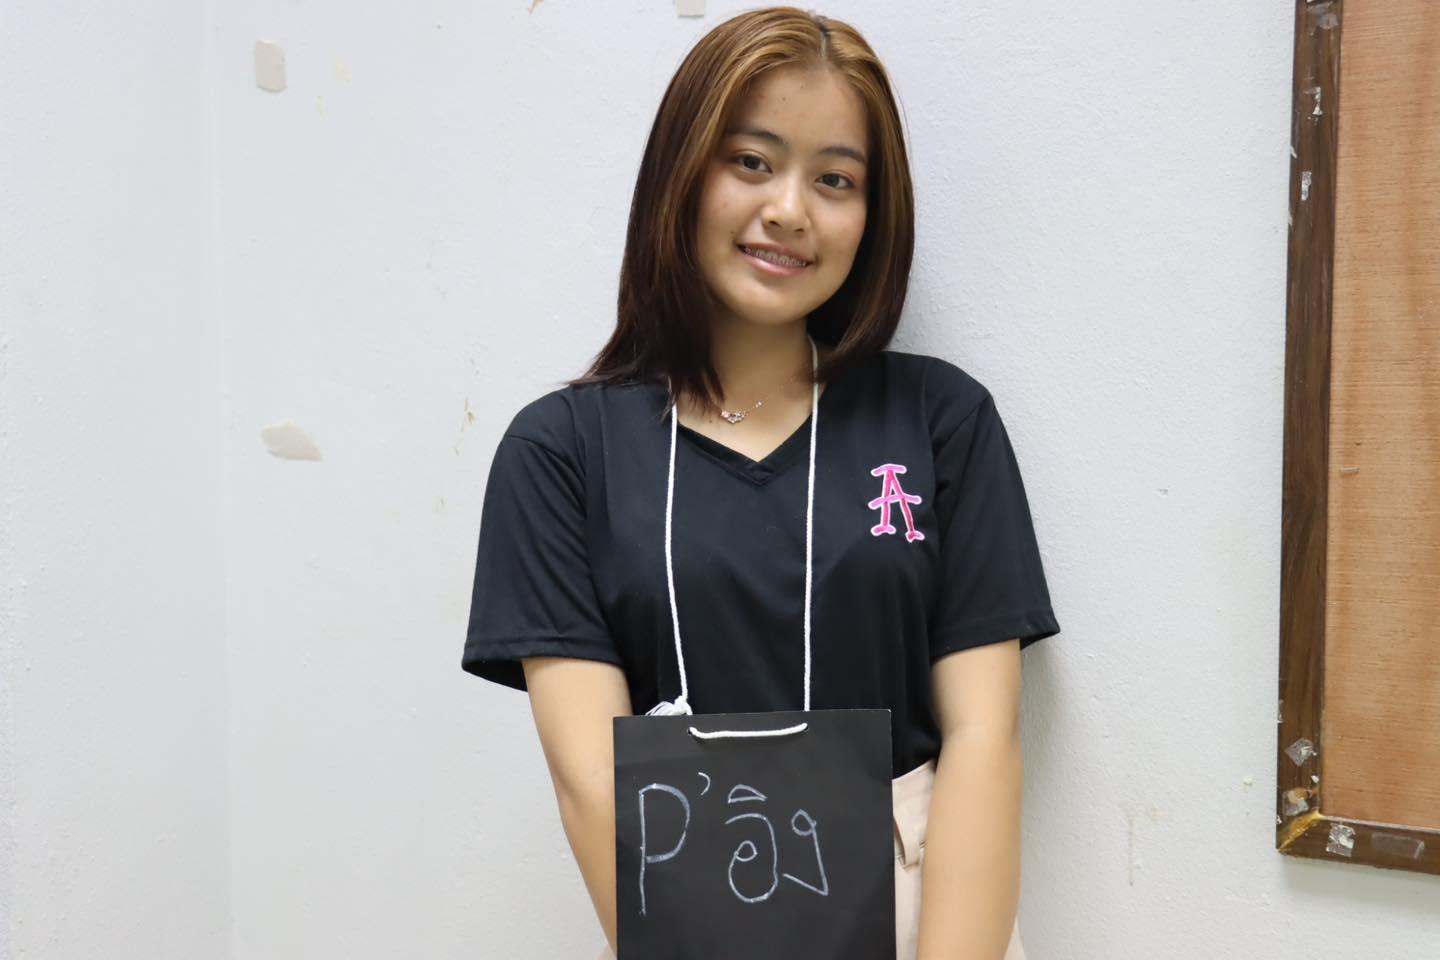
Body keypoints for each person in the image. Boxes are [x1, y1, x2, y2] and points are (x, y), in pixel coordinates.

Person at [462, 7, 1059, 958]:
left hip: (924, 905)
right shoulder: (561, 451)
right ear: (681, 172)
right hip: (683, 916)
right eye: (751, 161)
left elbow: (985, 740)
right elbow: (591, 781)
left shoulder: (941, 421)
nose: (790, 209)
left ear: (874, 214)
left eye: (835, 179)